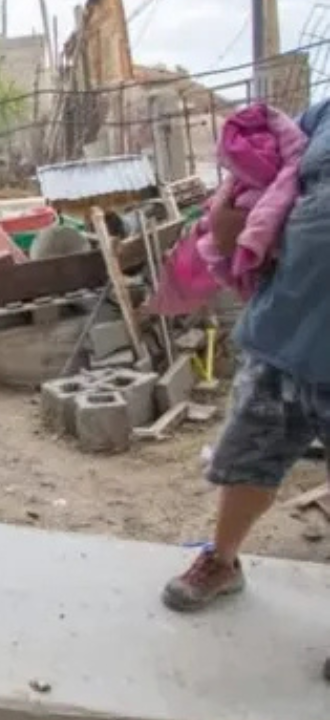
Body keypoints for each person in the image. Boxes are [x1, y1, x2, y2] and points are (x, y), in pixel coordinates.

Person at [161, 97, 330, 680]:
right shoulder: (322, 116)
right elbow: (266, 173)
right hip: (282, 334)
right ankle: (223, 562)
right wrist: (232, 224)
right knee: (244, 461)